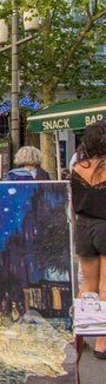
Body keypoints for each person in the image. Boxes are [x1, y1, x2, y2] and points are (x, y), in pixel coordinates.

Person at [71, 122, 106, 359]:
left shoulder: (77, 168)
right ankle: (102, 343)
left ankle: (77, 337)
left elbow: (73, 203)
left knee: (87, 285)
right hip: (105, 226)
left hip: (83, 227)